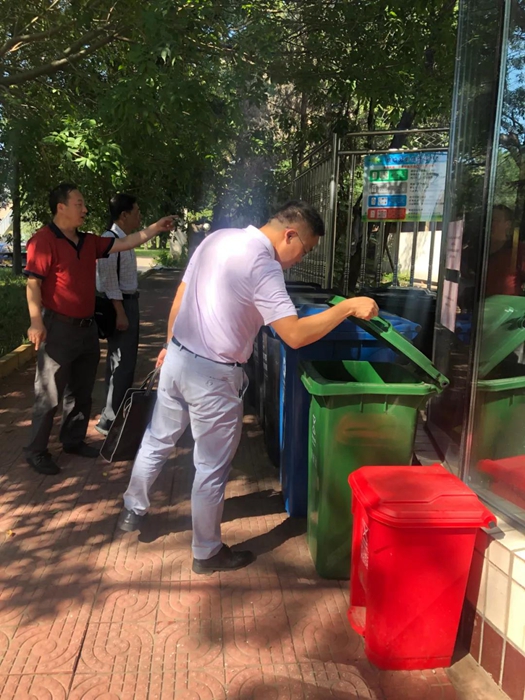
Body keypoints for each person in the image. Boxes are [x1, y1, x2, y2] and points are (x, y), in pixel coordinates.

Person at [117, 200, 378, 574]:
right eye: (304, 250)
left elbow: (181, 296)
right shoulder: (263, 265)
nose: (298, 260)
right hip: (214, 376)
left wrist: (167, 344)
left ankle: (132, 508)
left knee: (158, 438)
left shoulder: (218, 238)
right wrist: (346, 308)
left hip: (177, 358)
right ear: (289, 235)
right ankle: (207, 552)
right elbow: (294, 335)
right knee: (210, 467)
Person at [23, 182, 174, 476]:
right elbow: (33, 284)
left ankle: (73, 440)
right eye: (78, 204)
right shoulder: (43, 240)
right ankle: (36, 450)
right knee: (49, 393)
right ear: (61, 207)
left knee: (81, 390)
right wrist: (36, 321)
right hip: (58, 327)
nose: (85, 209)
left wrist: (155, 228)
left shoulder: (88, 241)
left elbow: (126, 243)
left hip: (86, 327)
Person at [95, 194, 142, 436]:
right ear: (124, 215)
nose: (139, 217)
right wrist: (121, 312)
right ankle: (110, 421)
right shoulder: (110, 241)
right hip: (120, 306)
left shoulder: (124, 240)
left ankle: (112, 414)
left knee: (121, 362)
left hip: (127, 304)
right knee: (121, 364)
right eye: (136, 212)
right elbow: (109, 280)